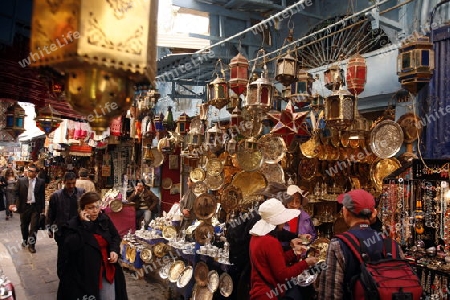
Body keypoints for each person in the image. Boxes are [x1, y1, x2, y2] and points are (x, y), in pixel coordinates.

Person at [318, 189, 404, 299]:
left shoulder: (339, 244)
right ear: (372, 214)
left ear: (346, 212)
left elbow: (330, 294)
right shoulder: (391, 244)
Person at [57, 192, 128, 300]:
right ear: (82, 209)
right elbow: (71, 246)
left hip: (105, 269)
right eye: (90, 208)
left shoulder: (104, 220)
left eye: (97, 206)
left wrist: (114, 250)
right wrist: (86, 225)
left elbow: (115, 236)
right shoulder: (72, 226)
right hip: (83, 275)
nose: (95, 211)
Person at [249, 198, 319, 300]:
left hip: (259, 291)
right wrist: (306, 263)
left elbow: (274, 262)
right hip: (268, 294)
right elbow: (283, 275)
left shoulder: (256, 237)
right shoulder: (270, 242)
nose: (284, 222)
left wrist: (294, 252)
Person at [15, 164, 45, 253]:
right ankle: (25, 239)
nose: (29, 172)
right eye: (29, 170)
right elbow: (16, 193)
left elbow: (42, 195)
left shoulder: (41, 182)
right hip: (24, 207)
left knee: (34, 227)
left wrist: (43, 208)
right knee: (24, 226)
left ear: (36, 173)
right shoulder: (21, 181)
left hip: (35, 207)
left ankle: (31, 245)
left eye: (32, 171)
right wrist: (15, 204)